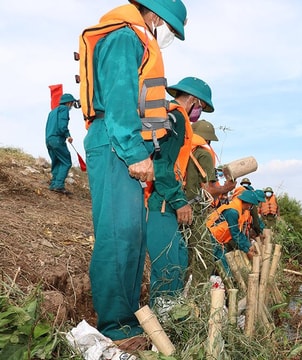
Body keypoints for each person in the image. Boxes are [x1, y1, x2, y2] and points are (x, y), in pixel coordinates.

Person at [79, 0, 187, 352]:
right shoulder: (125, 37)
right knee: (118, 235)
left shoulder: (133, 37)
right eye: (168, 26)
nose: (165, 33)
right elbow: (119, 100)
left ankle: (123, 317)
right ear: (155, 14)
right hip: (114, 141)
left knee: (133, 238)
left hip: (121, 143)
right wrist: (134, 151)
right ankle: (115, 325)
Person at [146, 77, 215, 307]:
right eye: (201, 108)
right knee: (167, 269)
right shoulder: (176, 119)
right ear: (194, 101)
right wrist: (179, 201)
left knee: (179, 261)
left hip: (167, 204)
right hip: (161, 205)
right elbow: (162, 165)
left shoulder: (175, 117)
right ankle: (161, 328)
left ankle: (173, 321)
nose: (200, 114)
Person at [184, 119, 236, 285]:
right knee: (205, 254)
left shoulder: (185, 151)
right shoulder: (204, 153)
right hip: (194, 210)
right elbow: (209, 190)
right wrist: (227, 188)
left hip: (181, 206)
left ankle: (182, 293)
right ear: (208, 139)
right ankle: (197, 297)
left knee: (188, 254)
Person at [207, 190, 259, 275]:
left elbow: (237, 232)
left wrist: (248, 245)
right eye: (251, 206)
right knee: (210, 264)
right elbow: (235, 234)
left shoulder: (236, 210)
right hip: (210, 237)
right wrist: (247, 250)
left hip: (218, 240)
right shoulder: (232, 212)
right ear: (248, 204)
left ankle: (227, 281)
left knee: (224, 264)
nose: (250, 208)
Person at [45, 93, 76, 195]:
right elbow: (62, 124)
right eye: (72, 103)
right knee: (66, 162)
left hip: (49, 139)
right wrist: (68, 135)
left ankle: (53, 184)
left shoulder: (52, 112)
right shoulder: (64, 109)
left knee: (57, 161)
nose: (72, 106)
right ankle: (58, 185)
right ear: (69, 103)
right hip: (57, 139)